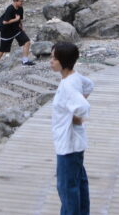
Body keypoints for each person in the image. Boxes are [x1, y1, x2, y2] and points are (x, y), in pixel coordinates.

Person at [50, 42, 91, 215]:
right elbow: (89, 85)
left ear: (63, 61)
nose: (50, 61)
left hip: (68, 144)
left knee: (67, 189)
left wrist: (75, 119)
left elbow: (83, 107)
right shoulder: (74, 77)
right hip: (76, 143)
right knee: (79, 184)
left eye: (53, 58)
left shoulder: (67, 86)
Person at [0, 0, 35, 74]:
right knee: (2, 50)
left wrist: (22, 28)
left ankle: (25, 61)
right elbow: (4, 22)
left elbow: (20, 19)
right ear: (15, 1)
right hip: (6, 31)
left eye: (23, 1)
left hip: (15, 29)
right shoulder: (10, 9)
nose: (22, 3)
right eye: (21, 1)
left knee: (27, 42)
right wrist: (15, 19)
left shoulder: (20, 8)